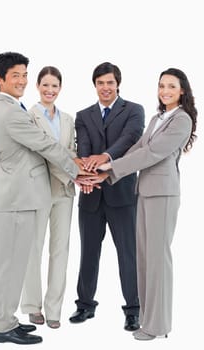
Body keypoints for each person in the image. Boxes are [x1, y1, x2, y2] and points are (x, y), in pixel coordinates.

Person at [0, 52, 92, 345]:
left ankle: (0, 318)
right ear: (0, 79)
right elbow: (46, 145)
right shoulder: (13, 113)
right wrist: (76, 171)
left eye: (24, 74)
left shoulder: (12, 108)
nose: (21, 80)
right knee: (12, 263)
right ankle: (4, 324)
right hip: (18, 196)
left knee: (6, 263)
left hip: (19, 195)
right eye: (15, 76)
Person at [94, 68, 197, 340]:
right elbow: (139, 147)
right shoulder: (157, 118)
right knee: (144, 258)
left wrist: (112, 167)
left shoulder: (182, 120)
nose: (165, 91)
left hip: (163, 194)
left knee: (158, 260)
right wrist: (108, 169)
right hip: (145, 192)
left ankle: (158, 326)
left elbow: (152, 153)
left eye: (171, 87)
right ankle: (146, 319)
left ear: (182, 91)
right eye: (162, 86)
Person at [69, 62, 145, 331]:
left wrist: (106, 157)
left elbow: (130, 139)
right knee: (88, 252)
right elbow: (84, 144)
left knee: (128, 253)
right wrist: (88, 174)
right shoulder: (83, 115)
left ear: (118, 84)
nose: (105, 87)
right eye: (100, 83)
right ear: (95, 85)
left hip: (122, 194)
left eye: (110, 83)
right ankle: (85, 305)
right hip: (91, 195)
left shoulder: (134, 110)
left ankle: (133, 309)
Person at [20, 66, 76, 329]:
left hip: (64, 192)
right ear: (38, 86)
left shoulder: (67, 119)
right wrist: (73, 172)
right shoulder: (28, 116)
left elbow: (71, 151)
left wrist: (80, 170)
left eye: (55, 86)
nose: (50, 90)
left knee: (60, 250)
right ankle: (32, 306)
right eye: (45, 85)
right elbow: (40, 151)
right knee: (34, 248)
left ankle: (54, 309)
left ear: (60, 88)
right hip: (39, 189)